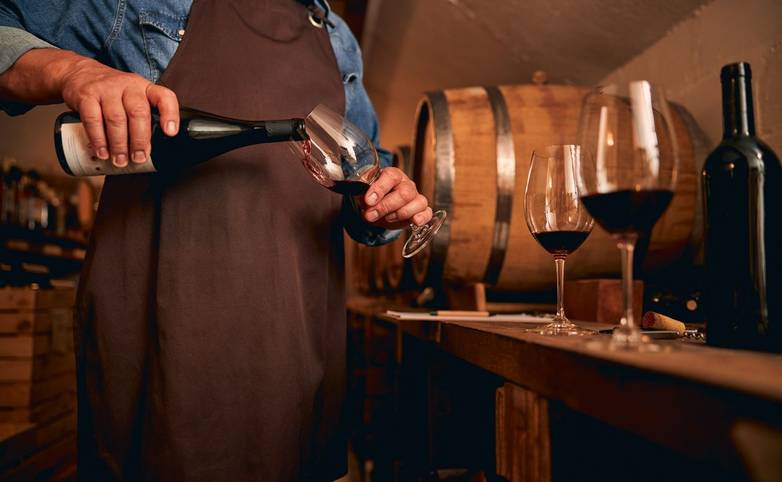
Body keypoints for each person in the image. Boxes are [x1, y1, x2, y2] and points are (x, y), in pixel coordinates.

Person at [0, 1, 433, 480]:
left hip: (298, 343)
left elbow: (364, 176)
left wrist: (387, 200)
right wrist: (74, 71)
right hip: (164, 340)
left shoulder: (338, 38)